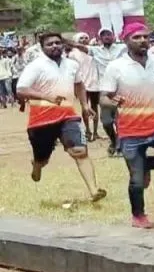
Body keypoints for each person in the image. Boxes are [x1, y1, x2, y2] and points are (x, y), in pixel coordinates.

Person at [99, 23, 154, 228]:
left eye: (145, 37)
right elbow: (104, 97)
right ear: (126, 40)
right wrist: (113, 103)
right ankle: (138, 215)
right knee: (137, 181)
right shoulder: (116, 67)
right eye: (136, 37)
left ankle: (146, 164)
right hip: (131, 132)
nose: (142, 41)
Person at [15, 32, 106, 201]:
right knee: (43, 158)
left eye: (58, 43)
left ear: (63, 45)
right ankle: (37, 165)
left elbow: (79, 84)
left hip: (67, 115)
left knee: (79, 151)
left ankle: (94, 191)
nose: (55, 46)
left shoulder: (72, 64)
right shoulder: (36, 66)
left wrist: (85, 106)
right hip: (41, 119)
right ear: (42, 48)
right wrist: (46, 97)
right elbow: (21, 89)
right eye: (50, 44)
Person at [68, 28, 127, 156]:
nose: (106, 37)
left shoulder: (123, 48)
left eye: (108, 34)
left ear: (113, 36)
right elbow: (79, 46)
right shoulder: (95, 51)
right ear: (99, 38)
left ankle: (119, 144)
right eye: (103, 35)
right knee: (106, 121)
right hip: (105, 89)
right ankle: (114, 140)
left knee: (120, 119)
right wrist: (61, 40)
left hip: (122, 88)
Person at [67, 33, 101, 140]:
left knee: (95, 107)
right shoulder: (73, 54)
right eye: (81, 38)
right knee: (85, 107)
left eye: (86, 37)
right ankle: (88, 130)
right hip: (82, 83)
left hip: (95, 83)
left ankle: (95, 132)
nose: (84, 39)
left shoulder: (94, 51)